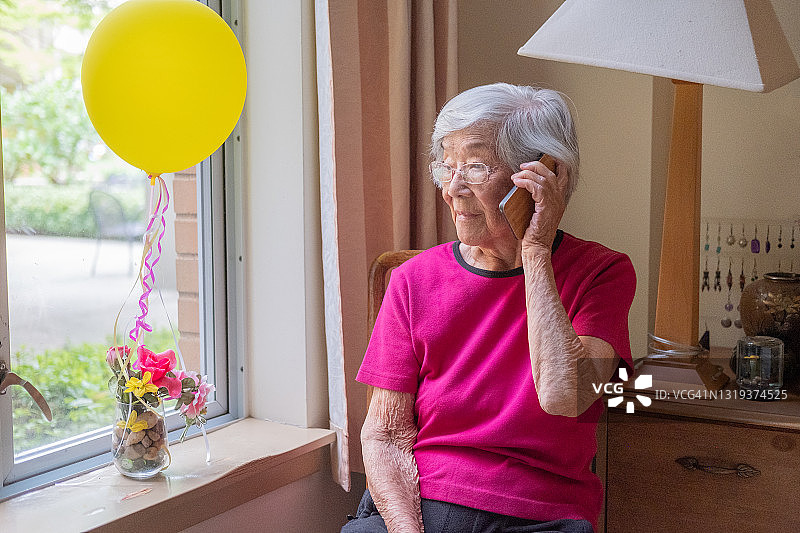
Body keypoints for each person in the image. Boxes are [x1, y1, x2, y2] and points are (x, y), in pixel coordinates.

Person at [343, 83, 636, 533]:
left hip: (537, 518)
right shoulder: (411, 280)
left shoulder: (603, 273)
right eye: (446, 165)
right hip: (417, 509)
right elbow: (384, 435)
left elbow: (567, 396)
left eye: (475, 167)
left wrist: (535, 250)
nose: (453, 188)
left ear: (543, 175)